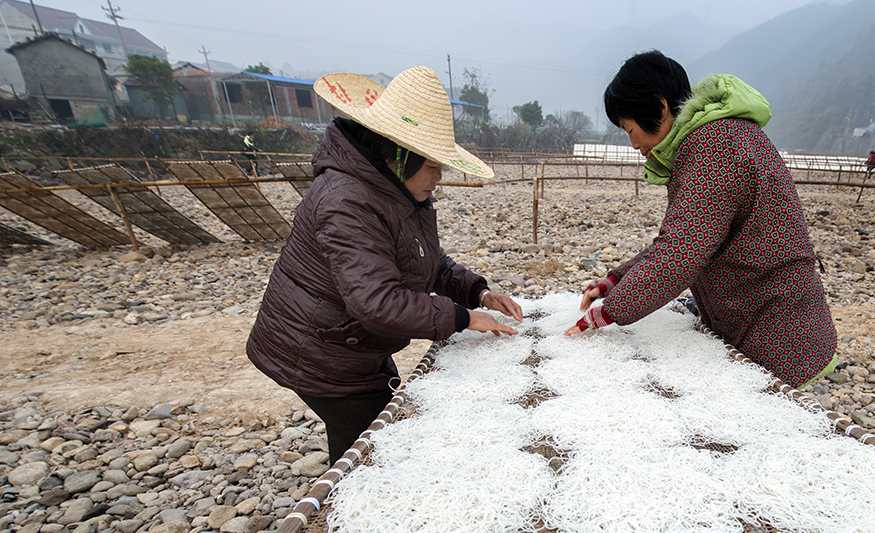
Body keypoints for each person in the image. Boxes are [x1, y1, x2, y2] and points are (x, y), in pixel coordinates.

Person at [246, 66, 523, 461]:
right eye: (431, 165)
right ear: (398, 155)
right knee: (374, 445)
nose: (439, 177)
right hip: (319, 350)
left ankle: (346, 487)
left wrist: (478, 292)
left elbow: (426, 262)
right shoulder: (347, 200)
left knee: (367, 435)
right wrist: (463, 317)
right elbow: (376, 302)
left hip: (349, 339)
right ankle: (344, 506)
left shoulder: (391, 190)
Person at [565, 51, 837, 390]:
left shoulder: (714, 145)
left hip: (778, 331)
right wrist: (615, 279)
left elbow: (682, 253)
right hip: (762, 316)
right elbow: (681, 238)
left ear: (660, 107)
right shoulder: (709, 139)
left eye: (630, 129)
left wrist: (606, 313)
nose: (633, 144)